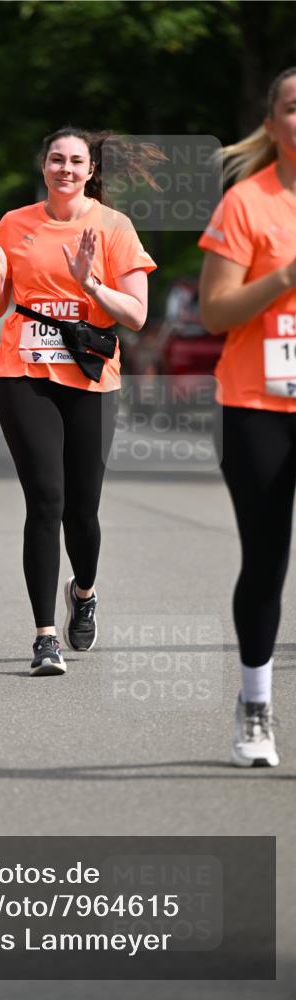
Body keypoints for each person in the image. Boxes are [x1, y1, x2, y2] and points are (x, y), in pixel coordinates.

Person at [0, 127, 157, 675]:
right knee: (45, 502)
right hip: (24, 373)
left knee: (83, 509)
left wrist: (91, 285)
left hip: (93, 377)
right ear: (43, 165)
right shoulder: (15, 224)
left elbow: (138, 315)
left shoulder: (113, 227)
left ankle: (86, 589)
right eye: (57, 159)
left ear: (91, 170)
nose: (66, 169)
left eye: (76, 161)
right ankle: (44, 636)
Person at [199, 67, 296, 768]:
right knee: (265, 561)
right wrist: (287, 276)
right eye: (294, 108)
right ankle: (255, 705)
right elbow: (214, 311)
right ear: (271, 125)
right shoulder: (245, 203)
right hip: (257, 404)